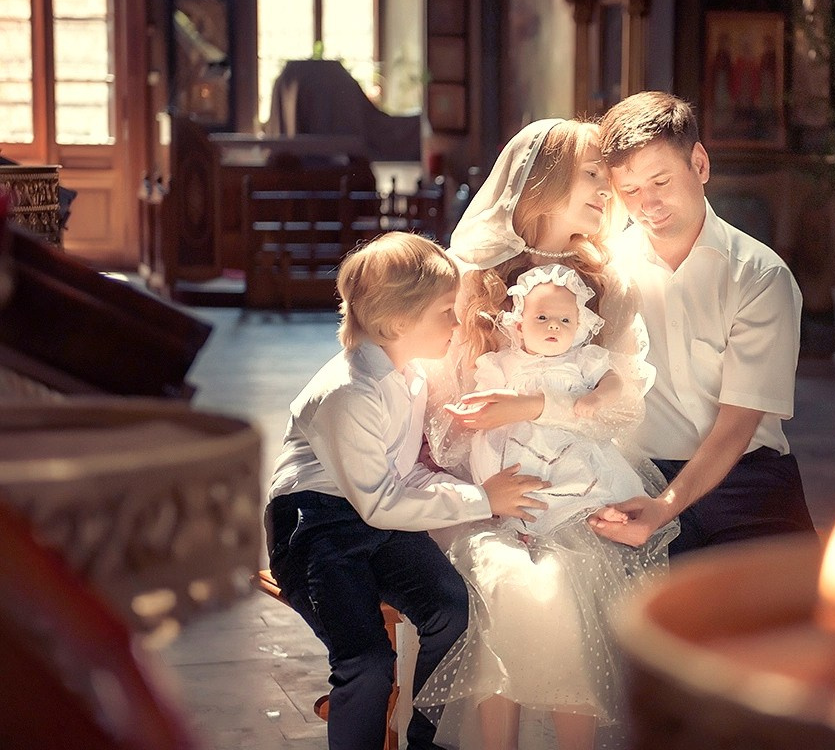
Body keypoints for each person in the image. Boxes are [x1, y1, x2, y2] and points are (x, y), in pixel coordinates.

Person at [401, 119, 673, 750]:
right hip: (490, 491)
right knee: (514, 584)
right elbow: (443, 412)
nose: (608, 192)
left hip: (581, 490)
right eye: (592, 175)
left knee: (560, 588)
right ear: (543, 179)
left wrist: (528, 406)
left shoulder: (611, 284)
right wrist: (487, 474)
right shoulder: (472, 279)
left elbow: (621, 407)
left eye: (609, 179)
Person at [264, 231, 549, 750]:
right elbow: (379, 502)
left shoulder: (412, 375)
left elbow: (404, 477)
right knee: (367, 661)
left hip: (379, 518)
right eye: (446, 311)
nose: (457, 323)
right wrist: (483, 498)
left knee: (452, 612)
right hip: (317, 525)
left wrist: (486, 506)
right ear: (398, 322)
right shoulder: (348, 393)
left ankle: (424, 740)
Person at [590, 90, 817, 556]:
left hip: (748, 477)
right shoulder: (605, 273)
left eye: (661, 181)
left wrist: (665, 507)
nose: (647, 204)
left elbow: (738, 423)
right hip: (641, 476)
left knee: (791, 616)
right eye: (629, 191)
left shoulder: (759, 275)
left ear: (699, 165)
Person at [462, 262, 649, 537]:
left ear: (579, 327)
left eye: (565, 321)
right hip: (516, 441)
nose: (554, 326)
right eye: (541, 318)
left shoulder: (582, 359)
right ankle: (519, 522)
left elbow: (615, 382)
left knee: (577, 466)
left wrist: (596, 397)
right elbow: (485, 398)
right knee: (514, 473)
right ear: (519, 325)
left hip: (568, 435)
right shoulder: (504, 363)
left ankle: (592, 508)